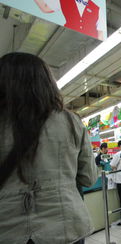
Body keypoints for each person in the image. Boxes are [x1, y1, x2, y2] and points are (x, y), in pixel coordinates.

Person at [0, 52, 97, 243]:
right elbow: (89, 177)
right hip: (66, 226)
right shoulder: (71, 121)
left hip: (7, 229)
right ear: (46, 83)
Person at [25, 0, 104, 40]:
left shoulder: (97, 8)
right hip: (68, 36)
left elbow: (100, 34)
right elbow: (45, 8)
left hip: (89, 42)